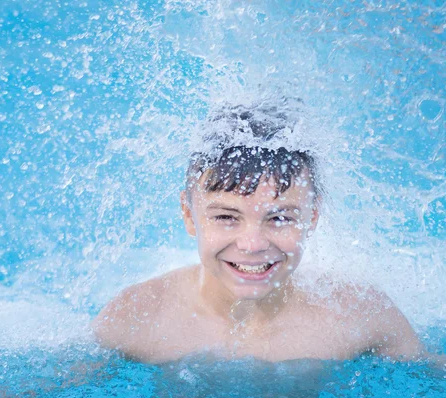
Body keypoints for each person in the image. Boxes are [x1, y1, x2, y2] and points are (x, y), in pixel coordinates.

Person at [92, 102, 424, 363]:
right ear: (188, 214)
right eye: (226, 216)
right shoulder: (139, 317)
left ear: (313, 217)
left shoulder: (357, 316)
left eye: (279, 218)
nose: (252, 245)